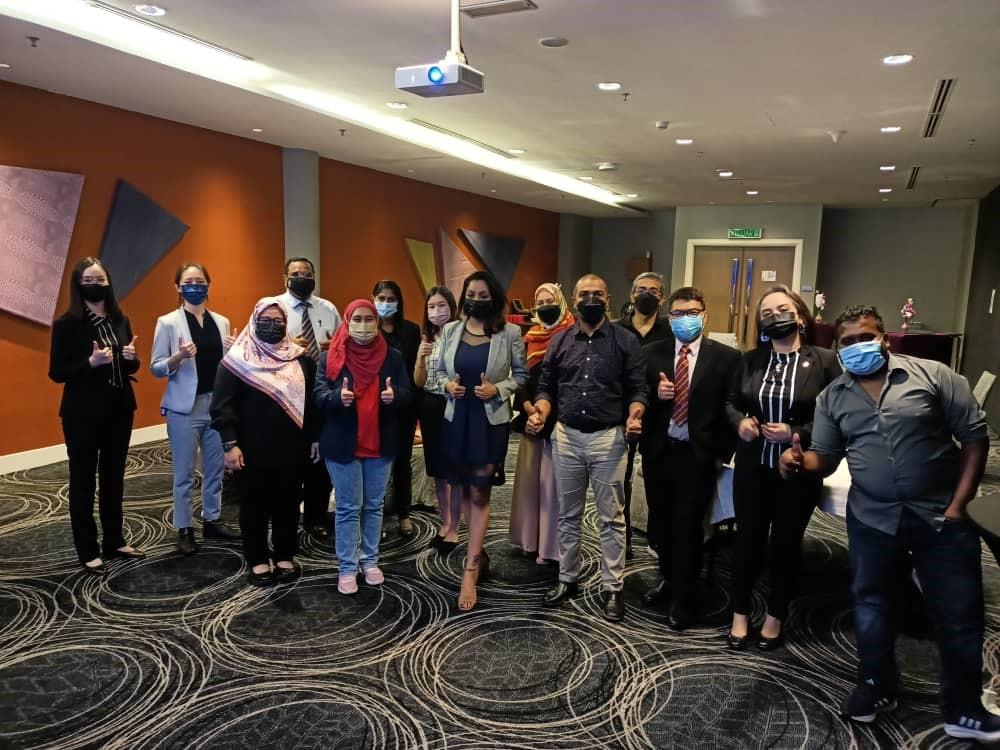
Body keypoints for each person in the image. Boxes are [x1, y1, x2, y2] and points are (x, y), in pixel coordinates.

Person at [780, 305, 997, 741]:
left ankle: (964, 708)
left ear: (884, 338)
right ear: (837, 347)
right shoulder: (832, 398)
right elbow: (826, 459)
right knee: (872, 607)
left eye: (867, 337)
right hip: (873, 518)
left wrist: (960, 505)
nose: (858, 346)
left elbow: (974, 438)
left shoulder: (933, 376)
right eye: (848, 341)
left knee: (958, 613)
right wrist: (798, 461)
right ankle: (876, 687)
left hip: (941, 516)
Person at [724, 284, 840, 649]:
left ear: (800, 316)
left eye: (783, 310)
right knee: (747, 542)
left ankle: (775, 615)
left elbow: (835, 416)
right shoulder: (749, 360)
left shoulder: (825, 361)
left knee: (786, 545)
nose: (776, 317)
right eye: (768, 314)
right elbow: (730, 403)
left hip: (798, 470)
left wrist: (796, 432)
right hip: (752, 469)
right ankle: (740, 613)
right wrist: (740, 423)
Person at [527, 273, 648, 622]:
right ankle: (567, 578)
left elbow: (638, 389)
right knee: (568, 515)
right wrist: (542, 409)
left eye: (597, 294)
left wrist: (635, 413)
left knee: (611, 518)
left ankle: (613, 586)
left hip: (609, 439)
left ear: (608, 300)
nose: (590, 299)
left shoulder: (625, 341)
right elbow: (546, 386)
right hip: (566, 437)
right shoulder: (561, 340)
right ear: (574, 300)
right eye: (584, 294)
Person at [640, 287, 740, 630]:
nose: (686, 319)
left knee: (688, 526)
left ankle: (685, 597)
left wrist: (720, 454)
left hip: (697, 456)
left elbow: (731, 408)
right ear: (670, 318)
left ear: (705, 315)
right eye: (679, 313)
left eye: (693, 312)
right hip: (659, 451)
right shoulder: (651, 354)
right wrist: (656, 395)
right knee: (660, 522)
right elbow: (637, 397)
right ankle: (669, 579)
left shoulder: (726, 358)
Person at [433, 271, 528, 610]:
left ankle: (470, 567)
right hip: (457, 418)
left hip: (488, 422)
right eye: (470, 294)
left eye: (483, 295)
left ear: (494, 298)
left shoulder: (510, 333)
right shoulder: (450, 330)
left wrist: (497, 389)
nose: (475, 300)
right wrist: (447, 386)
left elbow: (521, 375)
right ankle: (479, 551)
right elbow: (438, 373)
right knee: (460, 489)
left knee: (479, 491)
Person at [210, 298, 319, 586]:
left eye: (278, 321)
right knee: (254, 506)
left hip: (292, 448)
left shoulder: (301, 358)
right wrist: (230, 444)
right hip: (250, 449)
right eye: (266, 321)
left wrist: (314, 438)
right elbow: (222, 405)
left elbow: (312, 404)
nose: (272, 325)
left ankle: (284, 555)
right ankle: (257, 558)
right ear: (254, 321)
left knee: (288, 504)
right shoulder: (236, 360)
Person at [49, 257, 145, 574]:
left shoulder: (120, 319)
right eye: (88, 280)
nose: (95, 285)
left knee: (114, 478)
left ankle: (114, 540)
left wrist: (131, 358)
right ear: (78, 285)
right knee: (83, 482)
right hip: (83, 414)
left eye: (100, 279)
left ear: (109, 282)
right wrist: (89, 363)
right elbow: (57, 372)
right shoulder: (67, 324)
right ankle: (88, 549)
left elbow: (129, 365)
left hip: (119, 410)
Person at [314, 300, 413, 594]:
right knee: (348, 507)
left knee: (373, 505)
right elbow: (318, 395)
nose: (363, 325)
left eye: (369, 319)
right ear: (347, 322)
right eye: (356, 319)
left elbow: (407, 393)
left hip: (380, 443)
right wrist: (337, 398)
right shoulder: (330, 356)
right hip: (342, 443)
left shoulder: (393, 356)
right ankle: (347, 566)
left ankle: (370, 560)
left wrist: (395, 396)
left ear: (377, 322)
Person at [151, 263, 240, 555]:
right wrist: (177, 357)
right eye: (188, 282)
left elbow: (227, 365)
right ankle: (184, 528)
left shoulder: (221, 322)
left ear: (208, 285)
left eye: (200, 281)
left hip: (216, 405)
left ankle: (212, 519)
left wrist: (234, 351)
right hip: (184, 409)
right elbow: (156, 368)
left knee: (215, 468)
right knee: (185, 472)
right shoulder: (167, 322)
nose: (195, 286)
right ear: (178, 287)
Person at [509, 282, 575, 565]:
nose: (546, 306)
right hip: (532, 418)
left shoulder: (573, 336)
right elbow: (521, 378)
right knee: (530, 483)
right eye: (541, 302)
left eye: (551, 301)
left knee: (552, 486)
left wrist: (547, 413)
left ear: (562, 302)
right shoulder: (531, 337)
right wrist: (529, 409)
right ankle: (529, 540)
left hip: (560, 420)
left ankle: (549, 547)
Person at [278, 257, 342, 542]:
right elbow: (257, 347)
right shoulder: (273, 307)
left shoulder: (328, 308)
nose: (302, 277)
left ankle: (316, 517)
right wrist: (287, 345)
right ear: (285, 278)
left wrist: (334, 347)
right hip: (288, 393)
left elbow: (344, 344)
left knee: (320, 461)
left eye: (307, 273)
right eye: (296, 273)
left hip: (322, 390)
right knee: (292, 459)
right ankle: (288, 519)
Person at [616, 271, 673, 558]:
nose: (646, 295)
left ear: (662, 297)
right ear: (632, 294)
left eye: (653, 290)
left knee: (656, 480)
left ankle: (656, 537)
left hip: (658, 414)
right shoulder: (616, 330)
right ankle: (622, 538)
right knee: (619, 479)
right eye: (641, 289)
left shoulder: (671, 331)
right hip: (621, 413)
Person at [413, 286, 462, 554]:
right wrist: (421, 358)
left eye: (442, 305)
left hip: (454, 404)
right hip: (430, 405)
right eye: (431, 306)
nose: (436, 311)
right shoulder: (426, 338)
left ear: (452, 307)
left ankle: (455, 527)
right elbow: (418, 382)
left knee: (454, 469)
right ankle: (445, 522)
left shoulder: (462, 335)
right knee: (438, 471)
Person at [372, 279, 422, 539]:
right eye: (381, 298)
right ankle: (376, 517)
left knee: (402, 463)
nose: (385, 303)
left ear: (399, 302)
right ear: (373, 300)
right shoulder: (368, 329)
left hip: (403, 407)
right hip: (374, 409)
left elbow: (415, 372)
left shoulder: (411, 331)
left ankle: (404, 514)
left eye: (391, 299)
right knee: (376, 465)